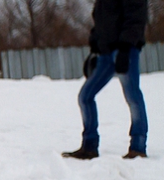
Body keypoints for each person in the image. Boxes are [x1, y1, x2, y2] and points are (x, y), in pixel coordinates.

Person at [62, 0, 148, 160]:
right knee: (85, 96)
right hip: (105, 53)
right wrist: (94, 48)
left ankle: (138, 147)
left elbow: (136, 19)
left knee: (132, 96)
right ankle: (89, 146)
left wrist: (125, 47)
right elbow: (101, 22)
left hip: (125, 49)